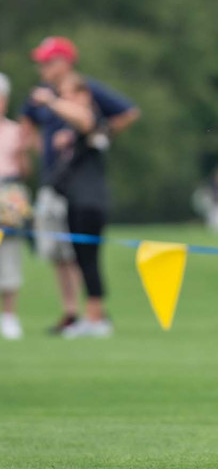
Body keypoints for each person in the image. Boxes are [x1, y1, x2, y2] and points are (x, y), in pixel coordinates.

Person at [19, 36, 139, 334]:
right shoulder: (68, 123)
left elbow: (92, 119)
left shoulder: (88, 115)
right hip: (69, 195)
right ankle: (85, 315)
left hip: (87, 199)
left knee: (86, 257)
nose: (41, 68)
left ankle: (95, 316)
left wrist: (53, 101)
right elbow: (29, 124)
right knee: (75, 256)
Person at [0, 73, 30, 340]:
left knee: (9, 254)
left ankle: (9, 316)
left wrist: (23, 152)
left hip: (7, 193)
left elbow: (24, 171)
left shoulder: (15, 131)